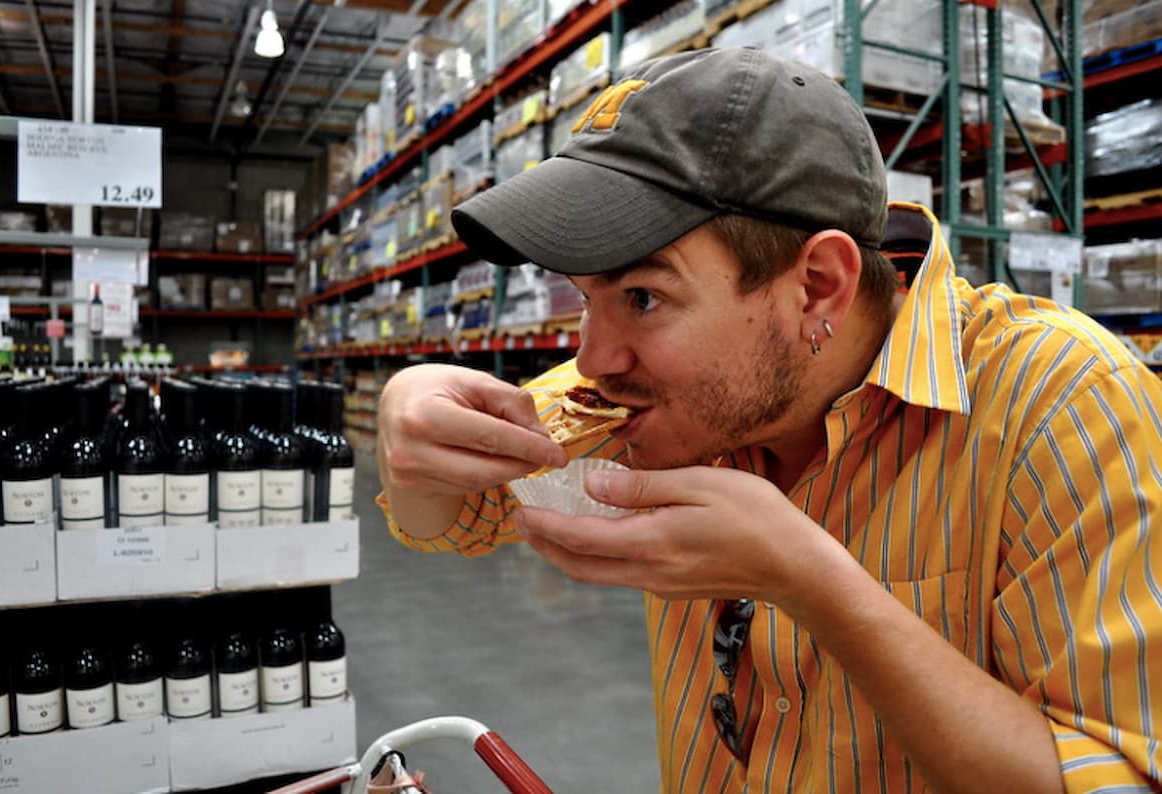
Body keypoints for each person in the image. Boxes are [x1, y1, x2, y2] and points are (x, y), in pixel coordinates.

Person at [376, 47, 1162, 793]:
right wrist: (412, 430)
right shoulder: (642, 393)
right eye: (588, 298)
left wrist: (812, 583)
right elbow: (454, 516)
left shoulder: (1061, 406)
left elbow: (1116, 774)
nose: (592, 360)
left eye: (643, 297)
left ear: (818, 285)